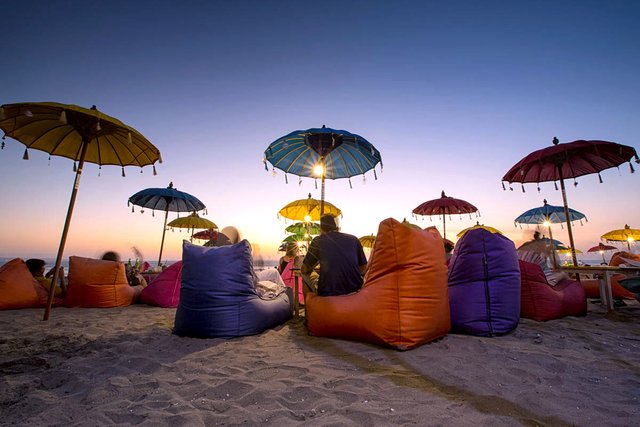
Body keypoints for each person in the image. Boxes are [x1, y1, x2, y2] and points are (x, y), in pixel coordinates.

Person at [301, 214, 368, 297]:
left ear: (321, 228)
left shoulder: (318, 240)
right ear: (337, 227)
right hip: (355, 289)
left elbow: (304, 269)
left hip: (329, 292)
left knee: (303, 276)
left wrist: (316, 264)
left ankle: (309, 307)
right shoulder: (354, 239)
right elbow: (363, 268)